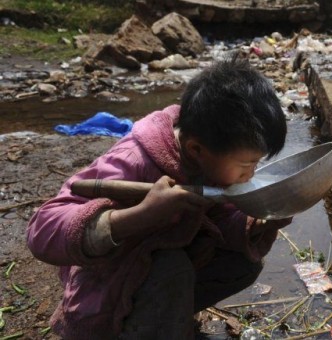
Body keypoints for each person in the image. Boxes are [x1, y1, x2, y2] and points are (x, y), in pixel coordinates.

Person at [26, 57, 292, 339]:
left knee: (242, 262)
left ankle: (163, 322)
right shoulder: (134, 160)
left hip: (152, 277)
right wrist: (142, 215)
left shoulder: (211, 157)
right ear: (196, 148)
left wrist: (254, 223)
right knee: (171, 267)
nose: (250, 175)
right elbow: (41, 230)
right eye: (246, 165)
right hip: (107, 288)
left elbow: (219, 218)